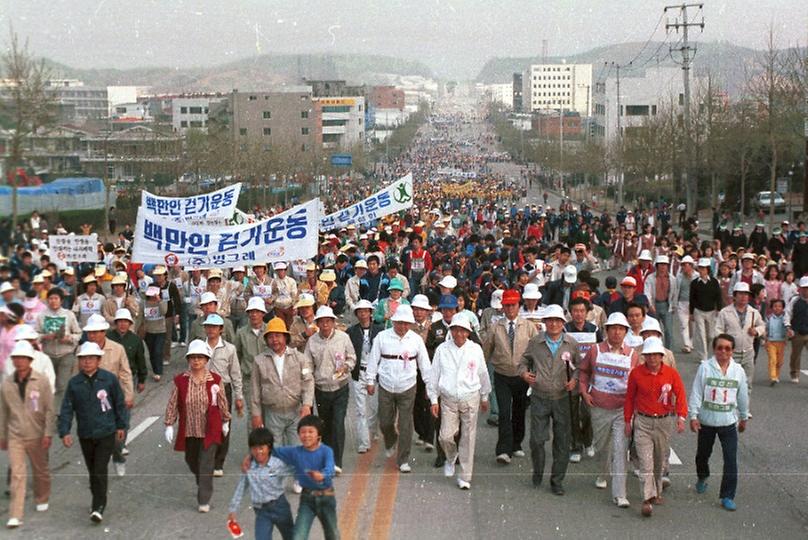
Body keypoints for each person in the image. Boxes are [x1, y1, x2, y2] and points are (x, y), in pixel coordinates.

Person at [58, 341, 127, 524]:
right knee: (92, 470)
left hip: (106, 431)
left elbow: (119, 404)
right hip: (86, 433)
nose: (87, 362)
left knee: (99, 469)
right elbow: (66, 408)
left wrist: (121, 426)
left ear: (98, 360)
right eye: (83, 359)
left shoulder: (109, 379)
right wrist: (64, 431)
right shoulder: (74, 383)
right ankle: (96, 499)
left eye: (91, 358)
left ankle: (99, 506)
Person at [578, 312, 639, 508]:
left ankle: (620, 494)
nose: (617, 332)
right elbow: (584, 372)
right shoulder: (595, 351)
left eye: (621, 329)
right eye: (613, 328)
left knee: (621, 449)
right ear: (607, 330)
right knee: (602, 446)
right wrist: (584, 392)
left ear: (625, 332)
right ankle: (603, 473)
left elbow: (636, 382)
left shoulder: (632, 355)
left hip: (621, 410)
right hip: (599, 408)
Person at [518, 304, 580, 495]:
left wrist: (574, 380)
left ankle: (557, 480)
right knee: (537, 439)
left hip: (562, 398)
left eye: (557, 321)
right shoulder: (535, 342)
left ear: (563, 323)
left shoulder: (571, 344)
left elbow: (580, 367)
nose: (553, 324)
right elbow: (523, 361)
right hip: (540, 396)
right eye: (550, 320)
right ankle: (538, 471)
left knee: (562, 440)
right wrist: (524, 374)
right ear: (544, 322)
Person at [164, 340, 230, 513]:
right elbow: (173, 403)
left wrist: (225, 421)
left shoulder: (215, 380)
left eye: (200, 357)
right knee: (191, 460)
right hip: (190, 430)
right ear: (188, 360)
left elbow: (222, 401)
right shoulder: (180, 381)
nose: (196, 361)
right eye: (193, 357)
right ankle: (203, 481)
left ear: (206, 359)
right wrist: (169, 424)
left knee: (206, 464)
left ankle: (204, 499)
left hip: (210, 429)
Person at [624, 337, 687, 517]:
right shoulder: (636, 374)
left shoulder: (671, 374)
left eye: (655, 355)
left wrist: (681, 417)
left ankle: (657, 490)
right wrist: (628, 421)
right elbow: (629, 398)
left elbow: (680, 394)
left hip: (663, 422)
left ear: (661, 356)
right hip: (642, 421)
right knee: (646, 462)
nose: (652, 359)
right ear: (644, 357)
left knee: (659, 460)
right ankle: (647, 498)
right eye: (648, 355)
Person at [364, 305, 432, 473]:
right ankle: (390, 439)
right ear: (394, 322)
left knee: (405, 423)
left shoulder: (416, 340)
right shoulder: (382, 337)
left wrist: (430, 387)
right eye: (399, 323)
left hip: (408, 385)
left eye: (406, 323)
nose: (402, 327)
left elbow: (425, 365)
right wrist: (370, 380)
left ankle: (403, 459)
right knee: (385, 421)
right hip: (386, 385)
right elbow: (373, 359)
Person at [688, 334, 750, 512]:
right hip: (707, 422)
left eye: (728, 348)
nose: (723, 351)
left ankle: (728, 495)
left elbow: (743, 395)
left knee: (731, 459)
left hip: (728, 422)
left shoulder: (738, 371)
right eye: (720, 348)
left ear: (733, 351)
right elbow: (697, 392)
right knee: (702, 455)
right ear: (714, 349)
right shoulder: (705, 368)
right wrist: (693, 416)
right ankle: (702, 477)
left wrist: (744, 417)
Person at [428, 315, 490, 489]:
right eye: (456, 330)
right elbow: (434, 375)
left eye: (463, 331)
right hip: (448, 399)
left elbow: (483, 373)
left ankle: (465, 476)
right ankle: (450, 456)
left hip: (470, 397)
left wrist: (485, 396)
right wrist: (434, 399)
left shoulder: (475, 349)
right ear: (451, 331)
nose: (459, 334)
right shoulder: (442, 349)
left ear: (468, 333)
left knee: (468, 438)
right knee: (445, 436)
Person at [0, 341, 54, 529]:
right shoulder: (7, 383)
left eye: (23, 358)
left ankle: (42, 496)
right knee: (17, 473)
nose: (19, 361)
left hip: (36, 433)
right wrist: (3, 435)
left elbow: (48, 408)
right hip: (15, 434)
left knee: (40, 469)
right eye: (16, 358)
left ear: (30, 360)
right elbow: (3, 411)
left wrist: (48, 432)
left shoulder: (41, 380)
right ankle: (16, 513)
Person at [483, 289, 538, 465]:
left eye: (513, 305)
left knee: (519, 411)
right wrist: (482, 373)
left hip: (522, 375)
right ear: (502, 306)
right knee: (504, 412)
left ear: (518, 306)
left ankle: (516, 444)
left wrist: (534, 372)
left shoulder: (528, 326)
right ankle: (503, 450)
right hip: (502, 375)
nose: (510, 309)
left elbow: (537, 351)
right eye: (506, 305)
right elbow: (486, 351)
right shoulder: (495, 327)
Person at [81, 314, 134, 477]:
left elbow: (125, 373)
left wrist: (128, 395)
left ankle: (118, 458)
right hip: (92, 402)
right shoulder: (82, 351)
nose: (93, 336)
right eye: (90, 333)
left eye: (97, 332)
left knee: (117, 437)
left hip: (114, 399)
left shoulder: (117, 349)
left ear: (104, 332)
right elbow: (76, 377)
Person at [304, 306, 355, 474]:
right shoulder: (312, 341)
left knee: (338, 423)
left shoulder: (343, 338)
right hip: (321, 388)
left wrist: (346, 367)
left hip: (340, 387)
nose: (325, 325)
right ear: (317, 324)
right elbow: (308, 365)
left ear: (333, 322)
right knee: (325, 425)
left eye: (328, 321)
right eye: (322, 322)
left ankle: (337, 462)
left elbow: (352, 357)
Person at [273, 415, 340, 540]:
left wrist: (322, 475)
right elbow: (272, 451)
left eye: (311, 432)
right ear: (298, 434)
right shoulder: (295, 452)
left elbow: (330, 468)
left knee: (333, 534)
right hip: (307, 499)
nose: (306, 435)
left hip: (326, 498)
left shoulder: (326, 451)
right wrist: (251, 457)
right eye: (303, 432)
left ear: (318, 435)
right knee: (298, 536)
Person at [228, 428, 295, 540]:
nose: (258, 452)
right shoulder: (249, 467)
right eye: (254, 448)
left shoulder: (277, 464)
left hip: (280, 507)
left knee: (291, 536)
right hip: (261, 511)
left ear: (269, 448)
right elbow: (241, 488)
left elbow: (294, 470)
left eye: (261, 448)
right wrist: (233, 509)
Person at [203, 313, 243, 476]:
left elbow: (235, 373)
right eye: (208, 326)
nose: (211, 330)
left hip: (223, 389)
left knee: (223, 426)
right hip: (203, 389)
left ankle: (219, 462)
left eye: (214, 327)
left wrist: (239, 396)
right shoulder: (199, 346)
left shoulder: (229, 349)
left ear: (221, 329)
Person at [347, 299, 383, 454]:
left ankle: (372, 431)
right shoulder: (351, 331)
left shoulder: (379, 331)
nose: (363, 314)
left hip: (375, 373)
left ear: (370, 313)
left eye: (366, 311)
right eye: (360, 311)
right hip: (358, 373)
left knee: (375, 408)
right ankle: (363, 441)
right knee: (361, 410)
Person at [715, 282, 765, 393]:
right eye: (740, 294)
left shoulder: (753, 312)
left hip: (748, 352)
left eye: (746, 294)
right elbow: (718, 329)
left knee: (747, 383)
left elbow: (762, 325)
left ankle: (744, 409)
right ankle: (729, 407)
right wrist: (724, 342)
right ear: (735, 296)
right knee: (729, 382)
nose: (743, 297)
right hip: (730, 353)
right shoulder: (725, 312)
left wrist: (756, 331)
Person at [36, 287, 82, 398]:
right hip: (48, 354)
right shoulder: (41, 316)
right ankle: (49, 410)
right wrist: (45, 336)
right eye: (51, 298)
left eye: (56, 298)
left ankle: (60, 412)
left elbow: (78, 333)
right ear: (47, 300)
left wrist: (69, 338)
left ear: (61, 300)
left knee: (63, 385)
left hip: (66, 354)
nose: (53, 301)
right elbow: (35, 334)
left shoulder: (69, 314)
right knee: (49, 384)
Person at [235, 297, 268, 416]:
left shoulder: (270, 331)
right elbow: (237, 356)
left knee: (269, 414)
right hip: (249, 379)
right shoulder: (241, 333)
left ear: (263, 313)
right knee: (254, 414)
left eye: (257, 312)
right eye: (251, 312)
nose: (254, 315)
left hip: (268, 379)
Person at [690, 258, 723, 361]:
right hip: (698, 311)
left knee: (711, 335)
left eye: (704, 268)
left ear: (708, 269)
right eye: (700, 268)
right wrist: (691, 312)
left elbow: (718, 296)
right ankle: (703, 356)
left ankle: (709, 351)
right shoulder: (695, 283)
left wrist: (719, 308)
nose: (702, 270)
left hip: (711, 311)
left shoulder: (714, 282)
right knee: (701, 334)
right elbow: (692, 298)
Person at [643, 255, 678, 348]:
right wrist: (650, 305)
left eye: (665, 265)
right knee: (654, 330)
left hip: (666, 305)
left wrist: (674, 305)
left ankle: (668, 350)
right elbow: (647, 292)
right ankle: (654, 348)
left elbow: (674, 292)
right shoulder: (650, 278)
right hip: (654, 305)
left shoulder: (672, 279)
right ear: (657, 266)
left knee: (668, 331)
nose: (663, 267)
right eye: (661, 264)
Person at [784, 276, 808, 383]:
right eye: (804, 288)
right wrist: (788, 326)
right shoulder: (795, 300)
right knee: (795, 355)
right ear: (800, 288)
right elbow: (787, 313)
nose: (806, 290)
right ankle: (794, 373)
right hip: (797, 332)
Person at [765, 299, 787, 385]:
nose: (777, 308)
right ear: (771, 308)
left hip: (781, 342)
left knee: (780, 361)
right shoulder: (769, 318)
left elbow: (787, 329)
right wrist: (765, 339)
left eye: (779, 306)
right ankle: (773, 377)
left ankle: (777, 375)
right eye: (775, 306)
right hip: (771, 341)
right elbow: (765, 329)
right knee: (772, 359)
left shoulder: (785, 319)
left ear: (783, 308)